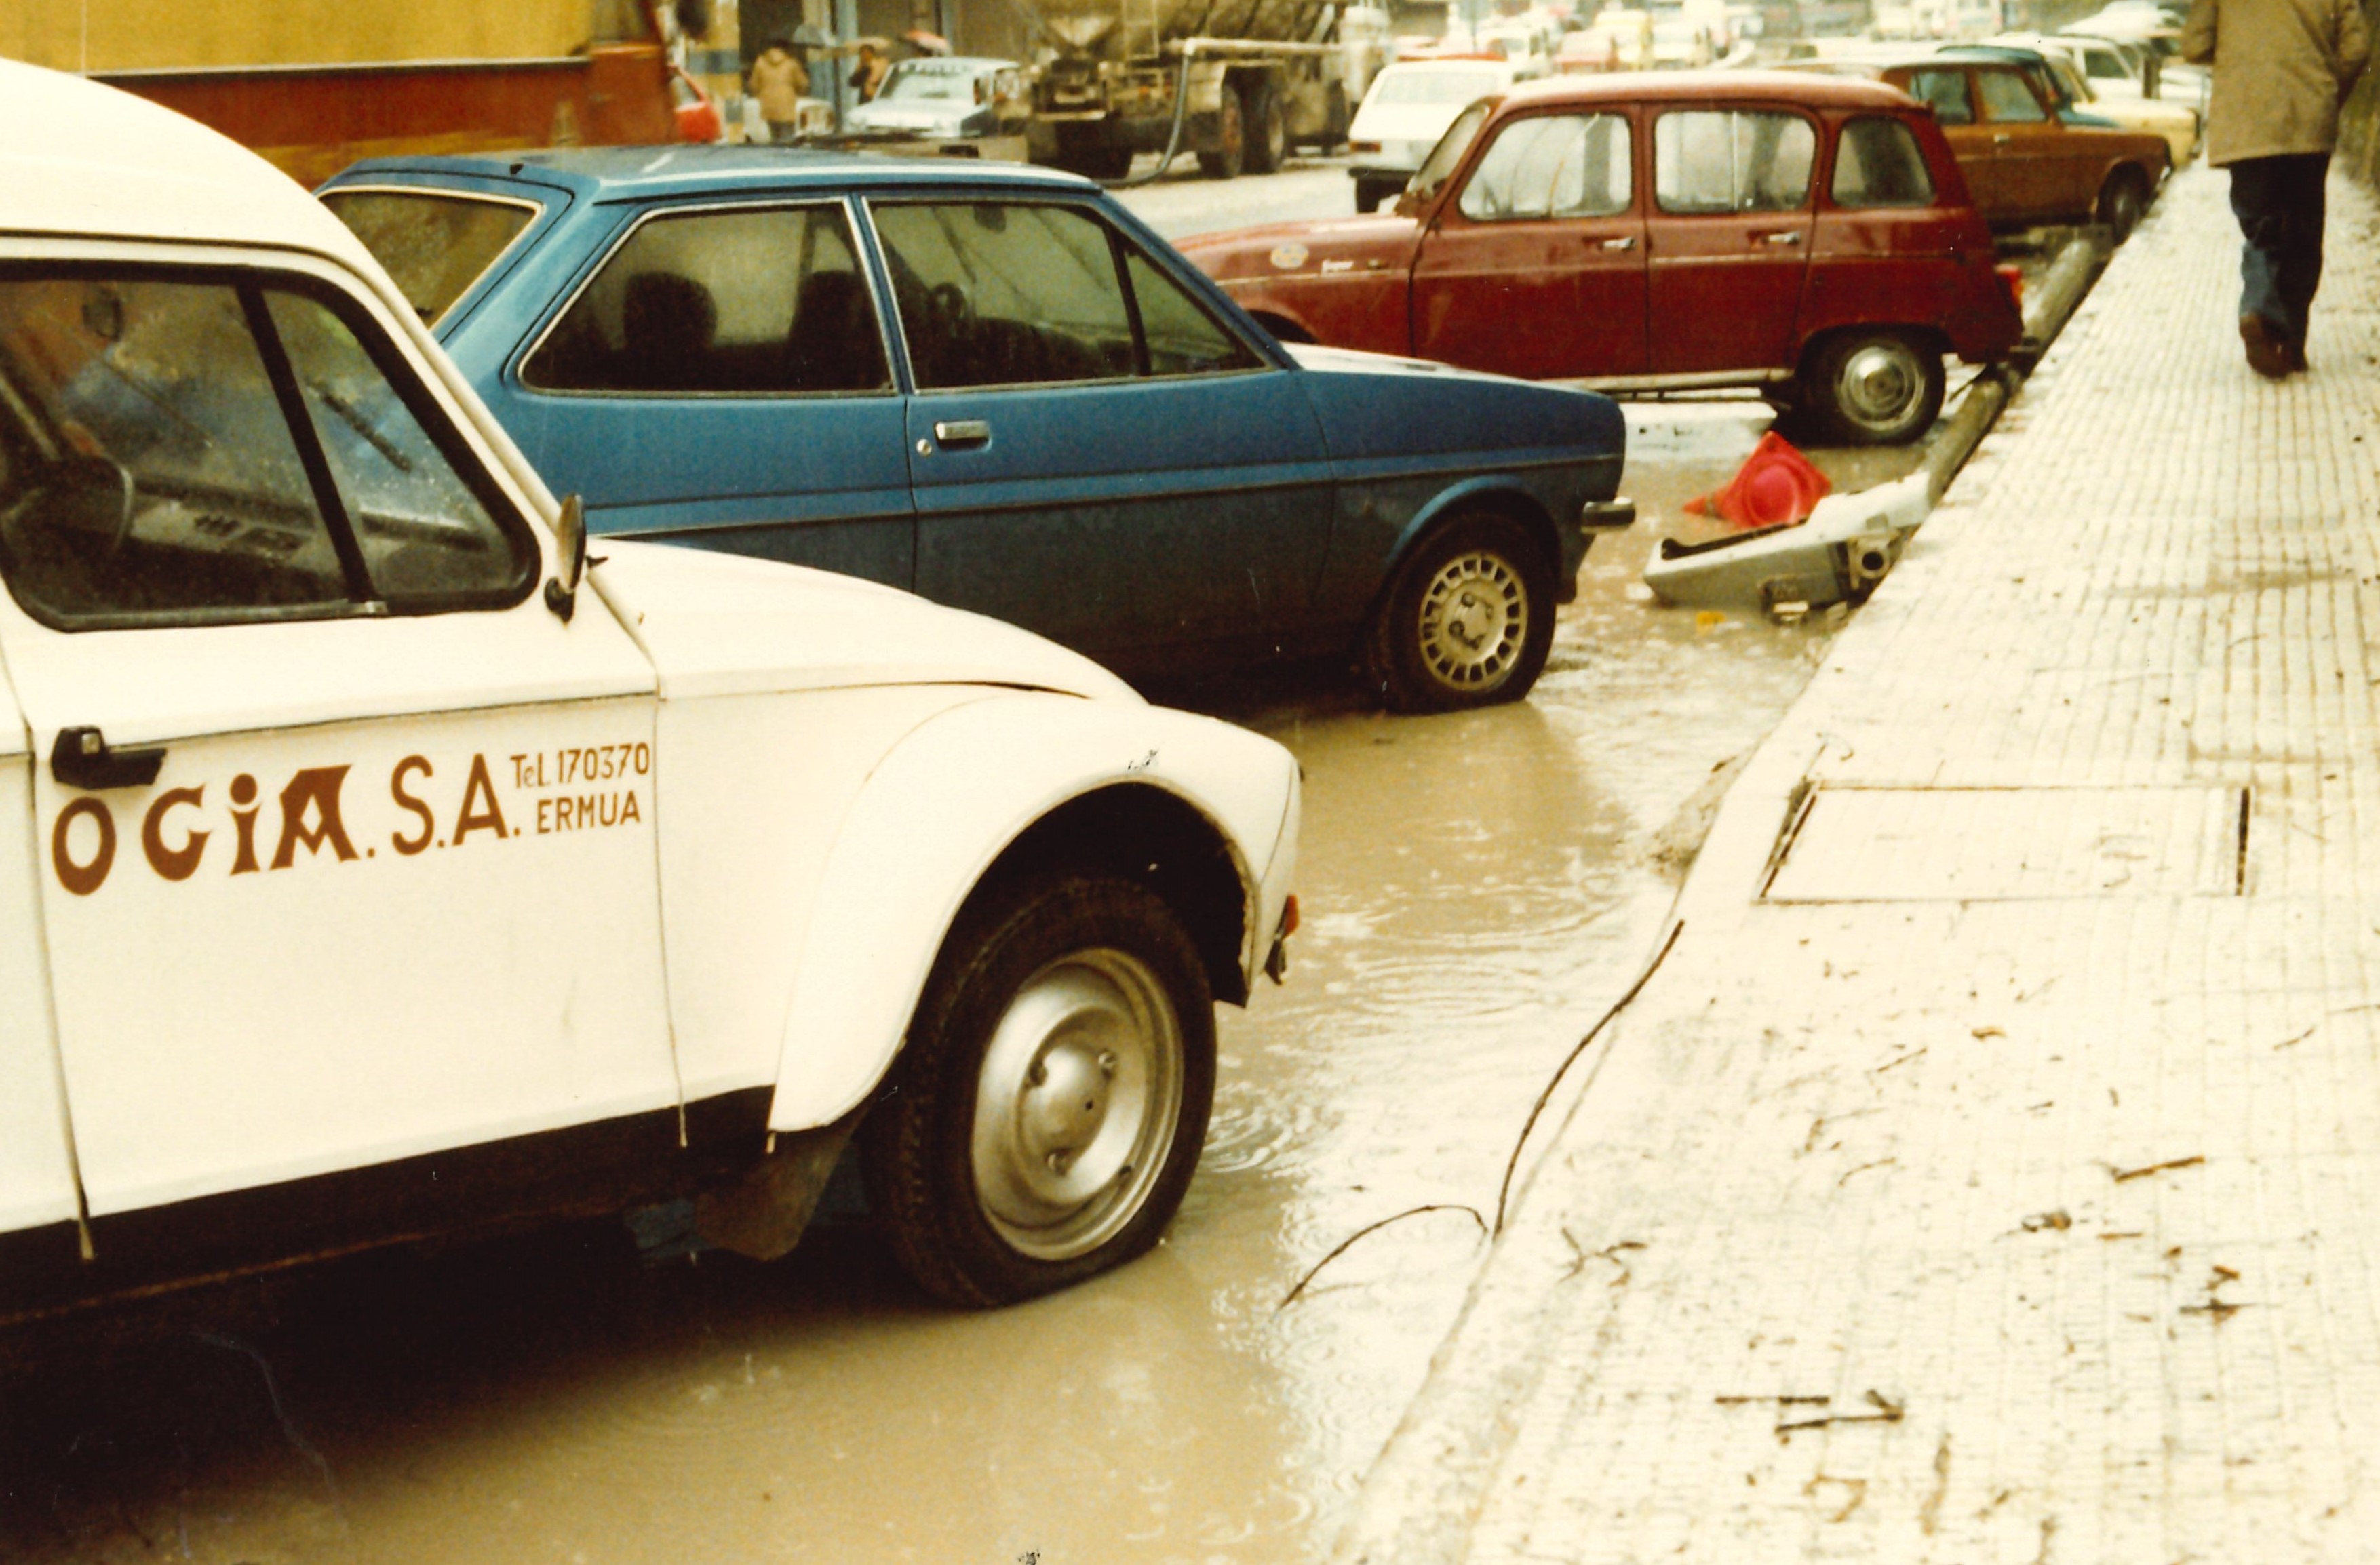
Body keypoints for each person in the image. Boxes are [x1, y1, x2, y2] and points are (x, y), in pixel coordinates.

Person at [2181, 0, 2369, 378]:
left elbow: (2195, 45)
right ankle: (2292, 344)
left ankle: (2258, 310)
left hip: (2247, 119)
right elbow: (2356, 48)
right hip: (2309, 117)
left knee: (2261, 224)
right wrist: (2327, 89)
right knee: (2303, 232)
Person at [746, 36, 810, 144]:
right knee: (788, 137)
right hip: (787, 104)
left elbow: (753, 85)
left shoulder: (760, 63)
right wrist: (799, 92)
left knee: (774, 137)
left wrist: (760, 95)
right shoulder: (791, 63)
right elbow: (803, 83)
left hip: (768, 105)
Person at [849, 40, 890, 104]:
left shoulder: (879, 65)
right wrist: (858, 70)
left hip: (877, 97)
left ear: (871, 53)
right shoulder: (862, 67)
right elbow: (853, 83)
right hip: (864, 99)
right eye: (862, 53)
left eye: (866, 53)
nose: (864, 56)